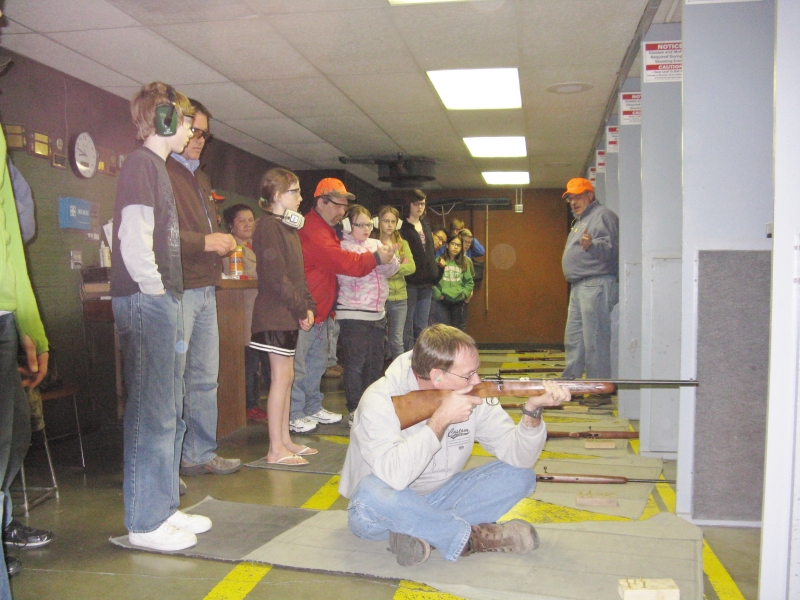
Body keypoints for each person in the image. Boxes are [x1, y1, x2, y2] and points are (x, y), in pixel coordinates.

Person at [339, 324, 571, 566]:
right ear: (437, 375)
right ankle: (470, 539)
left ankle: (424, 530)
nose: (478, 380)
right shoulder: (379, 400)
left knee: (521, 476)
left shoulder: (473, 391)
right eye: (468, 375)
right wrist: (439, 420)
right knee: (370, 492)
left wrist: (532, 411)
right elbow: (394, 478)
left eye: (477, 371)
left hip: (439, 496)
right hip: (381, 509)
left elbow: (519, 457)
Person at [110, 82, 211, 552]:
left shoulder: (158, 169)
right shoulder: (140, 166)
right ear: (166, 120)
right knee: (151, 415)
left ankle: (164, 508)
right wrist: (158, 294)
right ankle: (145, 522)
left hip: (162, 299)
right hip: (149, 301)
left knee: (169, 411)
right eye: (186, 120)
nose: (191, 129)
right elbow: (133, 240)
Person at [167, 99, 241, 479]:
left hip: (206, 288)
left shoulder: (201, 176)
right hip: (177, 289)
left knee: (203, 378)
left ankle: (199, 452)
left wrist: (219, 243)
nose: (198, 139)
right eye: (193, 130)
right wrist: (207, 242)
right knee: (173, 380)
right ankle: (168, 465)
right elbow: (157, 236)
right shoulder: (160, 170)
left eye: (204, 134)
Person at [289, 178, 395, 433]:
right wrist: (376, 257)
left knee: (316, 363)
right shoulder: (313, 230)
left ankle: (312, 407)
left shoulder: (326, 230)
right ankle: (294, 413)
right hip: (305, 309)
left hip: (321, 310)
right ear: (321, 202)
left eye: (344, 208)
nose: (341, 212)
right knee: (300, 366)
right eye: (338, 206)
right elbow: (345, 263)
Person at [0, 123, 52, 590]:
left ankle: (4, 527)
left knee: (14, 437)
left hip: (2, 317)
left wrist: (31, 329)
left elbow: (17, 241)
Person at [250, 168, 316, 465]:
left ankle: (285, 439)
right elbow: (277, 278)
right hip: (274, 315)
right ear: (277, 196)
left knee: (287, 377)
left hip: (287, 315)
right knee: (280, 378)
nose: (301, 198)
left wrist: (308, 305)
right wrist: (300, 308)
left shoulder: (287, 228)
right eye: (295, 192)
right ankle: (275, 448)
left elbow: (297, 276)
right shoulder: (268, 227)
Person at [337, 205, 399, 425]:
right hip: (353, 315)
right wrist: (375, 258)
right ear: (347, 225)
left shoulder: (376, 244)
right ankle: (354, 408)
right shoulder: (342, 247)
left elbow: (389, 271)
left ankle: (371, 406)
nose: (365, 229)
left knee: (374, 364)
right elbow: (352, 271)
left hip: (376, 314)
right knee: (356, 364)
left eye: (368, 225)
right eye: (360, 225)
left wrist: (391, 258)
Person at [560, 177, 619, 382]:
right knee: (574, 339)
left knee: (595, 340)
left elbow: (612, 250)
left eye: (578, 197)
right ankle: (570, 383)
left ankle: (598, 387)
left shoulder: (602, 216)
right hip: (580, 286)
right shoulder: (581, 220)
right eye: (570, 199)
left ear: (590, 196)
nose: (574, 202)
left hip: (596, 283)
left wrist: (592, 245)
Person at [222, 203, 270, 423]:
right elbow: (242, 277)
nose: (248, 224)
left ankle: (256, 404)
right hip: (241, 316)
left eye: (251, 220)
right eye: (242, 220)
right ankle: (248, 406)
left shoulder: (254, 247)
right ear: (231, 225)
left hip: (259, 316)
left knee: (259, 364)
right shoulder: (229, 249)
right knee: (248, 366)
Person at [374, 206, 415, 361]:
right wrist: (397, 265)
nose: (389, 225)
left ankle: (400, 376)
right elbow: (373, 268)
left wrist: (391, 269)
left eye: (393, 221)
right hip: (380, 298)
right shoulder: (373, 243)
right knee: (379, 340)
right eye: (386, 221)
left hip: (400, 298)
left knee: (397, 341)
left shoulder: (402, 244)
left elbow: (411, 267)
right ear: (378, 222)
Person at [399, 190, 439, 351]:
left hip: (427, 282)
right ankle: (407, 356)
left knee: (422, 324)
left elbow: (429, 252)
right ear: (409, 205)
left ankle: (421, 356)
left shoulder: (425, 225)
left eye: (422, 203)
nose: (420, 207)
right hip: (411, 282)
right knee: (408, 323)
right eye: (416, 203)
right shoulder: (403, 227)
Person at [432, 235, 474, 331]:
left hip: (458, 301)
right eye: (453, 244)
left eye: (459, 245)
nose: (456, 247)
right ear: (447, 245)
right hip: (442, 301)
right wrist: (438, 295)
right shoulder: (438, 261)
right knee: (443, 330)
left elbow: (469, 282)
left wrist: (464, 294)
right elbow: (432, 281)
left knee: (456, 330)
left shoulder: (464, 263)